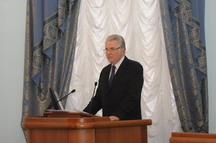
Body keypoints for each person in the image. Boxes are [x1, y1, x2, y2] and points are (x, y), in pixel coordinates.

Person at [83, 34, 144, 121]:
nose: (108, 53)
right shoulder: (105, 71)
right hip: (108, 124)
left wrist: (117, 115)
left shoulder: (134, 68)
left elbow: (132, 96)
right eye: (106, 49)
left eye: (112, 49)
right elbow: (98, 99)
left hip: (128, 124)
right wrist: (84, 114)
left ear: (122, 51)